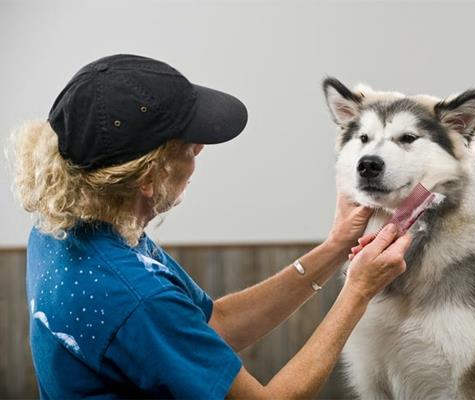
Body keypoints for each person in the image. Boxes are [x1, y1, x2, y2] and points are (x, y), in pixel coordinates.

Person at [8, 54, 412, 399]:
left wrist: (336, 247)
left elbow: (210, 326)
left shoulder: (66, 227)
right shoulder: (135, 297)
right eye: (188, 145)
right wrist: (357, 290)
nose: (200, 147)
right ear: (147, 178)